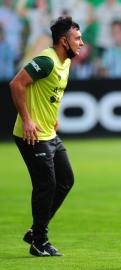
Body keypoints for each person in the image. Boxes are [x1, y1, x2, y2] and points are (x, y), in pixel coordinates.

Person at [9, 16, 83, 256]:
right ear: (64, 41)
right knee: (46, 184)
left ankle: (35, 231)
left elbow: (48, 93)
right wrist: (28, 120)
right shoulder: (46, 61)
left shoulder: (66, 61)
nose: (81, 43)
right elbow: (16, 84)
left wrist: (52, 116)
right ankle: (39, 241)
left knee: (66, 180)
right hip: (31, 135)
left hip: (48, 132)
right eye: (77, 38)